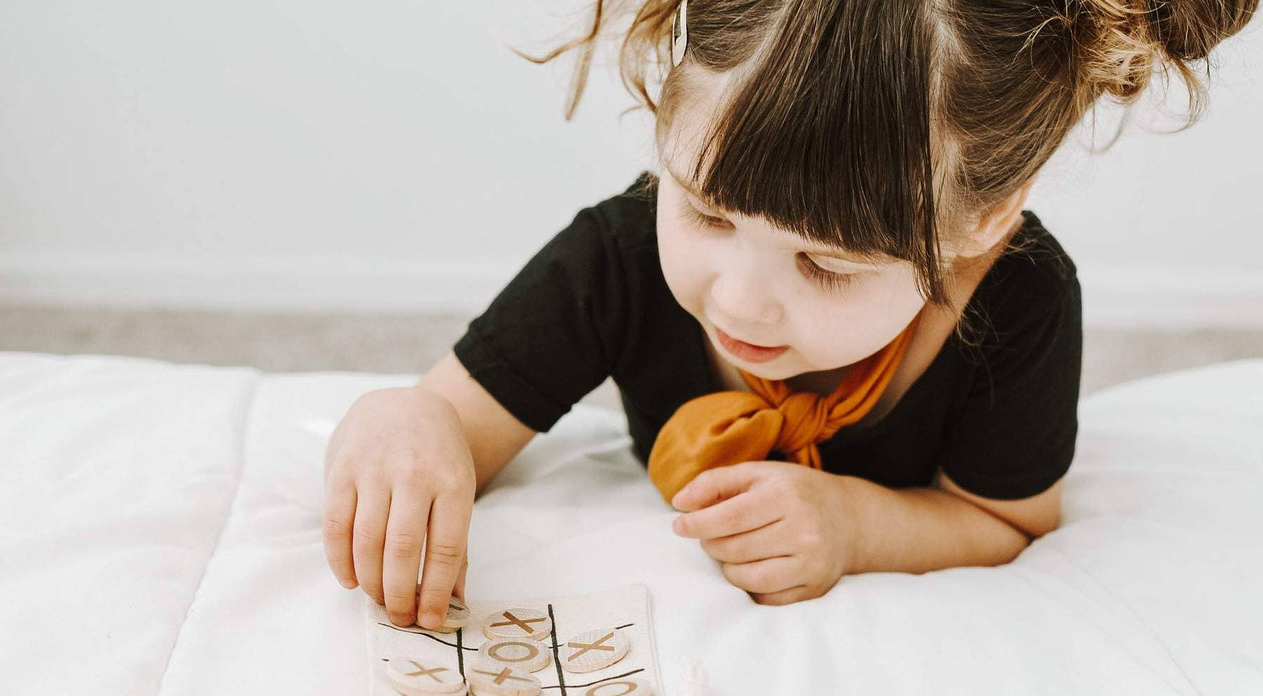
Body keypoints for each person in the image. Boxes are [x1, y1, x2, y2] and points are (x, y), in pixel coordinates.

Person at [322, 0, 1256, 629]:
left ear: (980, 219)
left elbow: (1002, 519)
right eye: (704, 210)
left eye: (828, 262)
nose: (738, 298)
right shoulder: (613, 256)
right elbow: (450, 421)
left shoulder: (1021, 300)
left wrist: (854, 525)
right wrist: (403, 424)